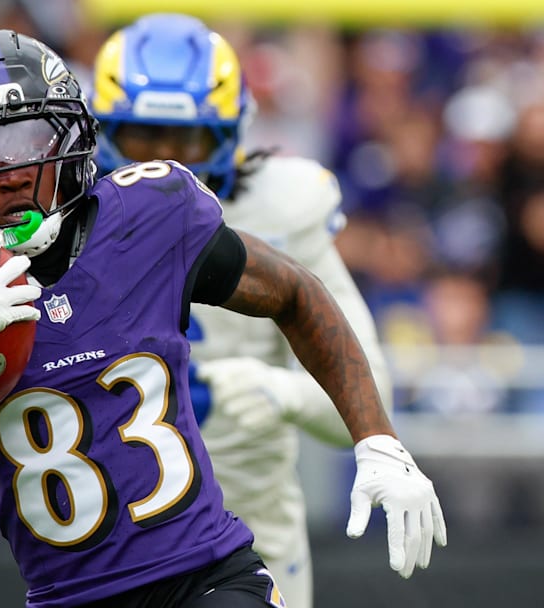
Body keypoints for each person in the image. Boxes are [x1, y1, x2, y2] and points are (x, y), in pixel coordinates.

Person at [0, 30, 445, 608]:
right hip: (68, 596)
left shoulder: (149, 215)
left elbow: (294, 292)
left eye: (28, 139)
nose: (10, 171)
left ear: (69, 135)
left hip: (207, 575)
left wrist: (378, 441)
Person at [87, 14, 394, 608]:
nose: (167, 162)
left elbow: (370, 392)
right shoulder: (70, 217)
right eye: (145, 136)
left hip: (249, 537)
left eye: (188, 140)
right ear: (103, 134)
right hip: (106, 541)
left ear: (231, 134)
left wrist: (279, 392)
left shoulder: (282, 207)